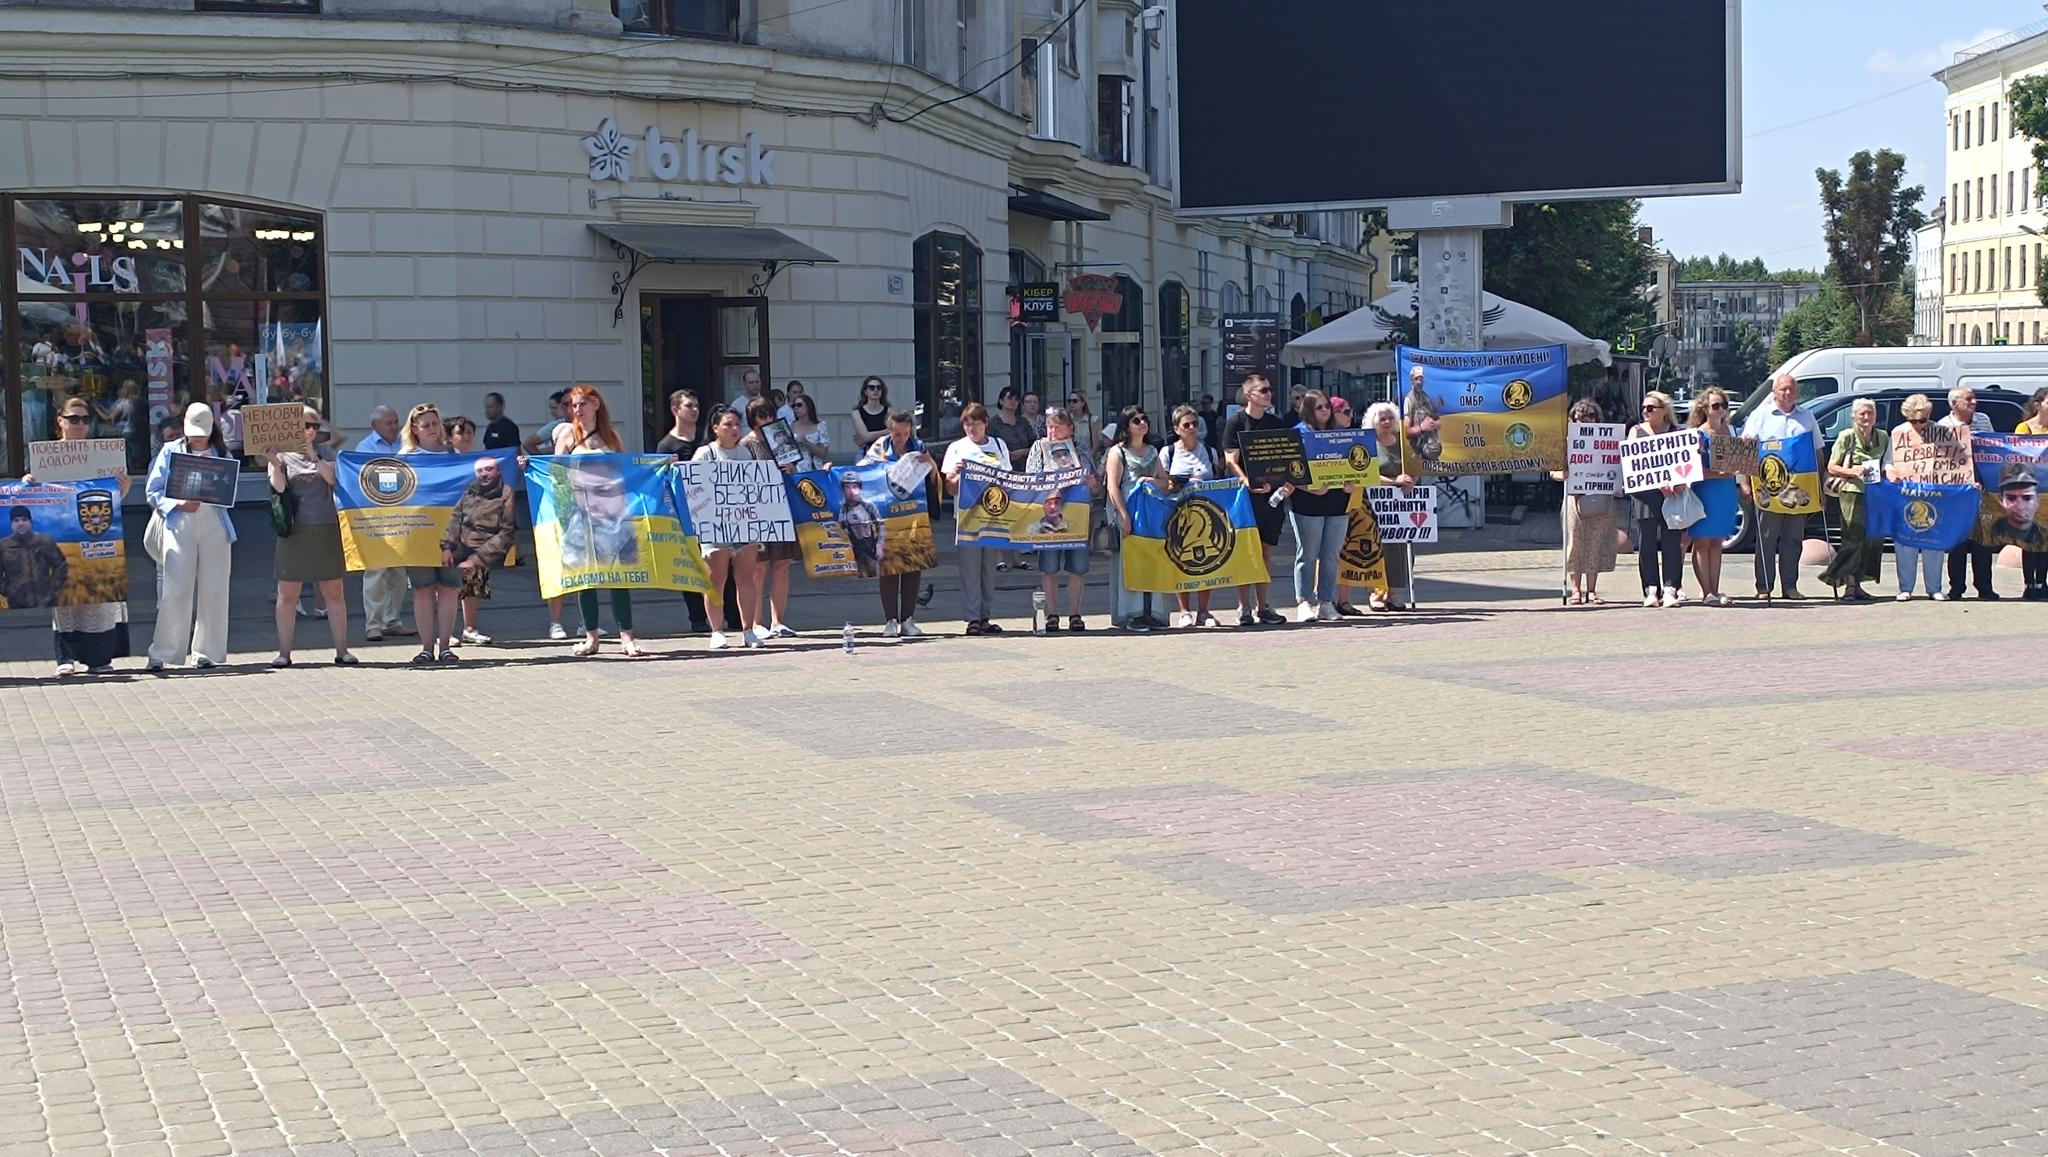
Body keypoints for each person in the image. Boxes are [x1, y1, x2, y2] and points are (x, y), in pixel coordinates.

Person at [19, 398, 126, 674]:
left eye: (85, 419)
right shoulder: (48, 456)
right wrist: (27, 484)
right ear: (60, 420)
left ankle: (99, 658)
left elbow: (112, 499)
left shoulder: (102, 455)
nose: (80, 424)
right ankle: (65, 657)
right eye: (74, 418)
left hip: (96, 534)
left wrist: (122, 488)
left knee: (99, 596)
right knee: (64, 597)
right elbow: (36, 499)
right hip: (60, 534)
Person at [144, 403, 237, 672]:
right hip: (179, 522)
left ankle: (206, 651)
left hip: (214, 523)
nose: (197, 437)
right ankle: (162, 652)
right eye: (193, 431)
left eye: (202, 431)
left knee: (214, 587)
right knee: (176, 588)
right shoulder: (170, 450)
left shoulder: (222, 453)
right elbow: (153, 490)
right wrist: (177, 504)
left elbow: (230, 491)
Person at [554, 384, 645, 657]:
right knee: (587, 577)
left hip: (612, 514)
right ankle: (591, 637)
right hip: (582, 514)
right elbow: (555, 472)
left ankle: (626, 637)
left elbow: (627, 471)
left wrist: (660, 465)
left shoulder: (611, 436)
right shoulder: (569, 435)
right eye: (573, 405)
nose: (577, 410)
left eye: (582, 404)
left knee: (619, 576)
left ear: (596, 404)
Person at [265, 404, 355, 668]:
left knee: (334, 591)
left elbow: (332, 480)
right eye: (305, 426)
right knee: (287, 594)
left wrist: (314, 456)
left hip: (326, 527)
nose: (310, 431)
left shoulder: (325, 451)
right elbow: (278, 487)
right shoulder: (280, 454)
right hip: (294, 531)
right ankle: (284, 653)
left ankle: (342, 650)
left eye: (314, 426)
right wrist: (273, 463)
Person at [1738, 372, 1822, 601]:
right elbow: (1746, 450)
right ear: (1774, 391)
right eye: (1783, 389)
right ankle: (1764, 587)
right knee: (1766, 538)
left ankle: (1790, 586)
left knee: (1793, 540)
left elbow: (1817, 452)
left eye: (1791, 389)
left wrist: (1819, 485)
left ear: (1797, 392)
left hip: (1798, 490)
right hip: (1768, 490)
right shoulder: (1760, 416)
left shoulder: (1807, 417)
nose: (1787, 393)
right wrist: (1744, 482)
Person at [692, 406, 770, 649]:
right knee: (716, 579)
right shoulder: (706, 453)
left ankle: (748, 630)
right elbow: (693, 486)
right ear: (715, 428)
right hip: (714, 525)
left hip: (743, 523)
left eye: (737, 424)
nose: (734, 429)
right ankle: (716, 630)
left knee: (745, 578)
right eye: (728, 424)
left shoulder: (745, 455)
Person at [1220, 375, 1290, 625]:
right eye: (1263, 390)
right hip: (1245, 497)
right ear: (1249, 395)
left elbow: (1285, 456)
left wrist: (1282, 482)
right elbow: (1230, 459)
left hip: (1271, 495)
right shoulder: (1236, 422)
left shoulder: (1275, 422)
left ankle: (1264, 606)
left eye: (1270, 389)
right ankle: (1244, 608)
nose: (1269, 393)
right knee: (1244, 550)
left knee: (1265, 551)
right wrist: (1245, 479)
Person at [860, 408, 934, 637]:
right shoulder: (879, 448)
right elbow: (862, 472)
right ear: (890, 430)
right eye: (897, 433)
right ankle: (890, 620)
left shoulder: (918, 447)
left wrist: (930, 464)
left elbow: (933, 480)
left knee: (913, 565)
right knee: (889, 567)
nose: (902, 438)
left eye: (905, 432)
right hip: (886, 516)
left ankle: (908, 619)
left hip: (914, 515)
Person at [398, 403, 462, 664]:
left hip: (450, 533)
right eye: (425, 425)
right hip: (417, 532)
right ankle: (426, 648)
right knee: (423, 590)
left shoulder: (452, 453)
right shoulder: (406, 457)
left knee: (448, 588)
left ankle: (445, 646)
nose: (432, 429)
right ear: (414, 428)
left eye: (435, 423)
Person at [1026, 406, 1097, 632]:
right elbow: (1030, 478)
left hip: (1077, 514)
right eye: (1049, 427)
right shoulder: (1038, 448)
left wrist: (1092, 484)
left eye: (1057, 427)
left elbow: (1094, 482)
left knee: (1077, 566)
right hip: (1049, 515)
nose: (1052, 431)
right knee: (1049, 566)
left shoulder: (1080, 448)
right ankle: (1052, 614)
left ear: (1070, 429)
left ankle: (1075, 613)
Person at [942, 402, 1010, 635]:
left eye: (976, 424)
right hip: (968, 517)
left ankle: (985, 617)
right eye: (967, 424)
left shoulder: (999, 445)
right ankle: (972, 617)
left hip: (993, 516)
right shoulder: (957, 448)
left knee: (989, 569)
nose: (971, 429)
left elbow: (1009, 480)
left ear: (985, 424)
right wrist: (955, 474)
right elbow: (949, 489)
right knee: (970, 569)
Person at [1287, 390, 1353, 622]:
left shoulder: (1341, 434)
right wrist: (1309, 488)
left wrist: (1351, 483)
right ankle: (1303, 601)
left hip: (1337, 501)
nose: (1325, 411)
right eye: (1319, 407)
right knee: (1308, 553)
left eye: (1327, 406)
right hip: (1307, 503)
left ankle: (1326, 602)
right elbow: (1289, 471)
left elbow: (1355, 466)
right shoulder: (1298, 434)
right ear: (1308, 410)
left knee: (1331, 555)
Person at [1103, 404, 1169, 631]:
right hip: (1128, 510)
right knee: (1129, 561)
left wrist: (1151, 481)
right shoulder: (1117, 451)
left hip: (1150, 513)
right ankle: (1132, 614)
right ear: (1127, 426)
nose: (1142, 423)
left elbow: (1166, 482)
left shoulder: (1152, 450)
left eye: (1144, 418)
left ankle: (1153, 612)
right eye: (1136, 420)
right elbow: (1112, 486)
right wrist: (1123, 515)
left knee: (1152, 558)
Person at [654, 388, 713, 633]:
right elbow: (659, 480)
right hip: (683, 513)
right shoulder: (666, 445)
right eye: (689, 406)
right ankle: (697, 618)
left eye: (697, 405)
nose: (695, 410)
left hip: (710, 510)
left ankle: (728, 613)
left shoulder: (706, 438)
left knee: (717, 562)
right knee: (690, 564)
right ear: (675, 410)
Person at [1818, 396, 1887, 602]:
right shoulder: (1846, 436)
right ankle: (1846, 583)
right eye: (1862, 413)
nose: (1866, 417)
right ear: (1854, 416)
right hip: (1851, 491)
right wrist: (1852, 471)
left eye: (1870, 413)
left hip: (1875, 492)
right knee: (1852, 538)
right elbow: (1831, 467)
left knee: (1871, 539)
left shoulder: (1883, 436)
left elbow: (1887, 462)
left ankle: (1858, 585)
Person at [355, 405, 415, 641]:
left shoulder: (404, 445)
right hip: (375, 518)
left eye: (396, 421)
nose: (395, 426)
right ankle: (373, 624)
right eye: (389, 422)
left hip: (401, 516)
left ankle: (393, 620)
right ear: (375, 426)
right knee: (376, 573)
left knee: (398, 574)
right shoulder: (365, 448)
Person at [1161, 403, 1221, 627]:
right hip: (1178, 513)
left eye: (1195, 424)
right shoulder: (1168, 452)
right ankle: (1184, 610)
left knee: (1208, 560)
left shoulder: (1209, 451)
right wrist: (1178, 481)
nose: (1192, 428)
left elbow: (1217, 479)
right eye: (1187, 425)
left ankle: (1204, 611)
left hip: (1206, 511)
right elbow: (1163, 484)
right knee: (1182, 560)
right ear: (1177, 428)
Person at [446, 455, 515, 646]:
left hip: (482, 550)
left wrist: (479, 558)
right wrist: (447, 546)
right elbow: (454, 519)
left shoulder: (506, 493)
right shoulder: (469, 493)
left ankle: (469, 630)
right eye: (480, 471)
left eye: (489, 469)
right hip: (459, 548)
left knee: (472, 590)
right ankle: (446, 632)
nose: (484, 474)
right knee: (447, 590)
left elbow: (507, 530)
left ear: (498, 471)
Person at [1556, 398, 1618, 606]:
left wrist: (1617, 485)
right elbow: (1553, 472)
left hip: (1602, 497)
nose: (1586, 420)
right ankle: (1576, 590)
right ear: (1573, 419)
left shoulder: (1608, 440)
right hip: (1575, 498)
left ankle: (1592, 591)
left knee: (1596, 543)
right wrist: (1563, 474)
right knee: (1576, 543)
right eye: (1581, 416)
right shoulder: (1565, 442)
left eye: (1591, 415)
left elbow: (1616, 466)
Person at [1627, 392, 1686, 608]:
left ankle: (1671, 588)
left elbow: (1685, 463)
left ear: (1664, 411)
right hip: (1645, 495)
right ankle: (1651, 588)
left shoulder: (1676, 432)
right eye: (1644, 408)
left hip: (1672, 495)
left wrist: (1680, 483)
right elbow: (1632, 463)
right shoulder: (1636, 431)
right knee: (1646, 543)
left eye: (1651, 408)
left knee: (1672, 542)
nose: (1645, 411)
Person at [1685, 387, 1742, 606]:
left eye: (1723, 406)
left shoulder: (1732, 432)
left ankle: (1715, 590)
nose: (1720, 410)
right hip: (1705, 490)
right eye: (1715, 406)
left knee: (1717, 541)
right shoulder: (1698, 434)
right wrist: (1719, 472)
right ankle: (1706, 590)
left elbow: (1742, 463)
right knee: (1701, 541)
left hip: (1726, 491)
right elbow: (1694, 470)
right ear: (1705, 409)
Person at [1940, 386, 1998, 600]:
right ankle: (1956, 587)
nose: (1974, 402)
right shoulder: (1944, 426)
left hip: (1982, 489)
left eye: (1974, 398)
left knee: (1983, 541)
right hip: (1956, 492)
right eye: (1968, 399)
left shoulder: (1983, 420)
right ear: (1954, 404)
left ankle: (1985, 586)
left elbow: (1992, 451)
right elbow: (1940, 461)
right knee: (1958, 541)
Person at [1364, 402, 1417, 610]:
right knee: (1377, 547)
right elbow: (1366, 473)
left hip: (1402, 506)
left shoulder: (1404, 443)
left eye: (1389, 418)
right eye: (1381, 418)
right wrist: (1394, 481)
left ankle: (1393, 592)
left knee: (1401, 548)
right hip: (1375, 505)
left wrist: (1411, 479)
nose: (1386, 422)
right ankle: (1377, 593)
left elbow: (1415, 466)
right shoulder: (1368, 444)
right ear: (1373, 421)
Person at [2017, 390, 2048, 599]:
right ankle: (2029, 584)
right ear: (2038, 404)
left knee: (2045, 539)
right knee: (2030, 538)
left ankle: (2042, 582)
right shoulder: (2024, 428)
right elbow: (2015, 455)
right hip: (2029, 490)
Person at [851, 375, 892, 451]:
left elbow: (893, 432)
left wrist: (870, 435)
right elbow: (866, 437)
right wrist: (887, 431)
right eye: (871, 388)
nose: (875, 390)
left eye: (879, 388)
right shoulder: (857, 413)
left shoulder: (889, 410)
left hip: (885, 450)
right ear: (865, 391)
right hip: (866, 451)